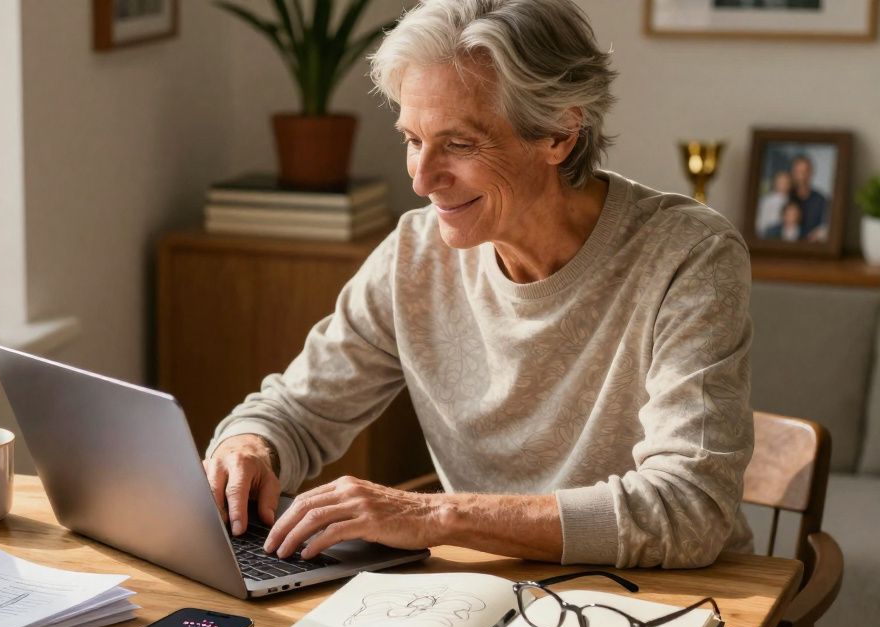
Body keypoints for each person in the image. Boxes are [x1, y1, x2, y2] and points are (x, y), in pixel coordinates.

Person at [203, 0, 755, 572]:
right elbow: (293, 411)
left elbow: (690, 510)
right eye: (413, 139)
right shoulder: (415, 256)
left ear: (560, 133)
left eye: (460, 144)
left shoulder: (688, 255)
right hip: (479, 598)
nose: (421, 179)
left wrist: (435, 516)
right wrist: (246, 446)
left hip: (662, 605)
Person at [788, 155, 829, 241]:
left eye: (805, 171)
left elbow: (825, 226)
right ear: (793, 173)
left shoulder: (821, 200)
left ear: (812, 173)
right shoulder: (785, 197)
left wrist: (819, 233)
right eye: (798, 172)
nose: (802, 176)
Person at [756, 170, 792, 238]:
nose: (783, 185)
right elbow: (761, 223)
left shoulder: (792, 201)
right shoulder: (766, 201)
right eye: (781, 182)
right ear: (775, 183)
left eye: (786, 183)